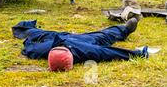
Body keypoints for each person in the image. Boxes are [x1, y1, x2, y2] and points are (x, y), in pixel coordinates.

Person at [12, 18, 148, 64]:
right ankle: (124, 29)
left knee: (36, 33)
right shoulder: (82, 51)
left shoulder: (40, 50)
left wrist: (27, 36)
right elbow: (107, 52)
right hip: (82, 41)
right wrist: (137, 54)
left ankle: (23, 27)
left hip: (58, 37)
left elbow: (28, 47)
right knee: (103, 36)